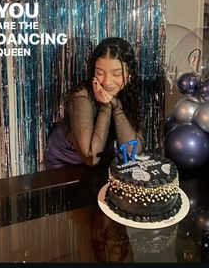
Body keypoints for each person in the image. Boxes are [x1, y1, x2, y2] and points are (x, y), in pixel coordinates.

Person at [44, 37, 144, 169]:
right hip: (66, 162)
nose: (107, 82)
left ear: (129, 74)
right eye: (100, 73)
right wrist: (106, 107)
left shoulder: (127, 93)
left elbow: (134, 151)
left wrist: (116, 106)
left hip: (102, 157)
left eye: (117, 74)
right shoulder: (81, 98)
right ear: (93, 72)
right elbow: (91, 157)